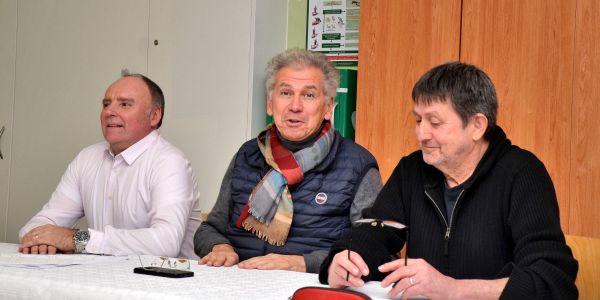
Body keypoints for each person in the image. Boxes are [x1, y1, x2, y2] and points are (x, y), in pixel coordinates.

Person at [320, 62, 578, 299]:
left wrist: (452, 288)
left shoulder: (522, 173)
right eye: (418, 120)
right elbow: (373, 233)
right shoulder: (412, 170)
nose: (421, 134)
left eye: (434, 122)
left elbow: (552, 281)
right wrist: (343, 259)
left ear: (477, 125)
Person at [194, 49, 382, 273]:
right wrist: (220, 246)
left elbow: (374, 250)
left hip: (309, 288)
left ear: (328, 108)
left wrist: (301, 263)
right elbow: (210, 228)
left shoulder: (357, 165)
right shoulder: (247, 155)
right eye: (285, 93)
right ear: (270, 104)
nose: (295, 106)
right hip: (240, 284)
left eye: (309, 95)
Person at [19, 72, 201, 259]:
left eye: (124, 104)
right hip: (101, 279)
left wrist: (77, 239)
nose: (109, 112)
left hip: (167, 284)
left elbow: (166, 242)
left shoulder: (169, 162)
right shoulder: (87, 157)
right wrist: (41, 239)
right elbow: (38, 225)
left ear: (154, 116)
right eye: (106, 104)